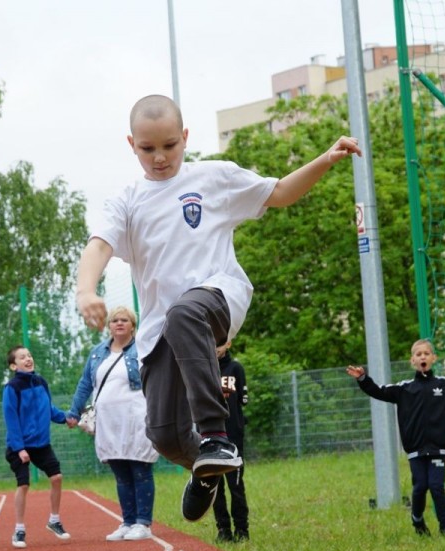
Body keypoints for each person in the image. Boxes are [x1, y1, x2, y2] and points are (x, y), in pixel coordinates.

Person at [75, 93, 360, 523]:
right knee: (164, 436)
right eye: (147, 149)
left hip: (218, 297)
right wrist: (85, 290)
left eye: (169, 146)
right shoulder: (128, 201)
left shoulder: (214, 178)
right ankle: (205, 472)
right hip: (159, 332)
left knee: (185, 313)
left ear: (185, 137)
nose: (159, 158)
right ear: (131, 144)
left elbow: (279, 192)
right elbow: (99, 244)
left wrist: (325, 159)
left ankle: (214, 436)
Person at [347, 342, 445, 537]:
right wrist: (363, 378)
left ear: (433, 359)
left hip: (438, 448)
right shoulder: (404, 389)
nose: (423, 357)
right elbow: (378, 391)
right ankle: (417, 519)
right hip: (415, 450)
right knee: (420, 486)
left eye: (426, 354)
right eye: (418, 354)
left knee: (437, 486)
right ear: (413, 360)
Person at [67, 306, 159, 542]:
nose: (119, 324)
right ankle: (128, 522)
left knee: (140, 469)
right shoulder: (98, 352)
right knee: (120, 472)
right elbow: (85, 384)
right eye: (115, 320)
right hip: (108, 421)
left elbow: (158, 377)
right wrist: (74, 411)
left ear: (133, 325)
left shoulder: (143, 350)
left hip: (136, 418)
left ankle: (143, 523)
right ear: (109, 325)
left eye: (124, 320)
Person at [3, 345, 72, 548]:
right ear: (14, 365)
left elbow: (48, 408)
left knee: (57, 477)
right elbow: (11, 418)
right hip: (20, 445)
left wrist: (65, 418)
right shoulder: (12, 388)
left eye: (29, 356)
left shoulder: (41, 382)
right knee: (23, 484)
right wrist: (20, 448)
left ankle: (54, 520)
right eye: (22, 357)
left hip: (41, 444)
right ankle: (19, 530)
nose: (28, 359)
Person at [212, 341, 249, 543]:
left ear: (228, 343)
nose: (216, 347)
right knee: (214, 486)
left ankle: (242, 531)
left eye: (219, 342)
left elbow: (243, 400)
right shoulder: (201, 368)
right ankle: (223, 530)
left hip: (233, 434)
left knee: (235, 484)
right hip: (209, 434)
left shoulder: (235, 367)